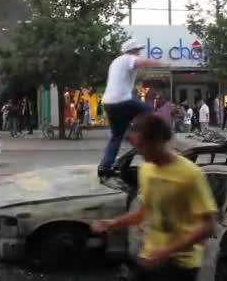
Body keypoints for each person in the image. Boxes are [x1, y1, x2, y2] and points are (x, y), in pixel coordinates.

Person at [91, 113, 217, 281]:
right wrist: (113, 223)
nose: (140, 152)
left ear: (158, 141)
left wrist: (167, 251)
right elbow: (145, 211)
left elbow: (209, 225)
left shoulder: (191, 174)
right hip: (151, 257)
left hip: (181, 265)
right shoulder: (146, 170)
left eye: (142, 146)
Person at [98, 39, 167, 176]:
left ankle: (105, 167)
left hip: (109, 103)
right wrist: (162, 64)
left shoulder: (115, 62)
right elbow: (142, 63)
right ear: (132, 50)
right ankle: (147, 139)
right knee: (149, 110)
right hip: (122, 101)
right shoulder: (128, 58)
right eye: (138, 51)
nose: (139, 53)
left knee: (116, 136)